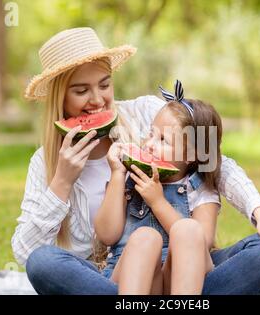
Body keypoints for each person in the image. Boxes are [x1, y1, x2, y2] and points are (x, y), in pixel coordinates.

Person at [13, 27, 260, 295]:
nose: (97, 100)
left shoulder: (147, 112)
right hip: (113, 274)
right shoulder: (45, 162)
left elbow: (212, 157)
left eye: (105, 84)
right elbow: (27, 255)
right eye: (81, 90)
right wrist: (62, 182)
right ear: (59, 97)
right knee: (43, 262)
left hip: (187, 268)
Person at [96, 80, 223, 294]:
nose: (149, 144)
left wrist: (158, 202)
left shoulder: (200, 190)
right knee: (146, 237)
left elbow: (204, 241)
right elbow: (107, 235)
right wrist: (118, 174)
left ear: (192, 154)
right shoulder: (130, 178)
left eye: (163, 140)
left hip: (182, 279)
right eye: (151, 134)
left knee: (190, 229)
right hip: (131, 276)